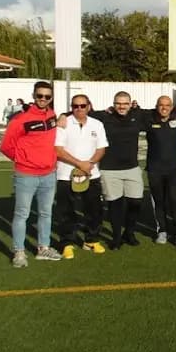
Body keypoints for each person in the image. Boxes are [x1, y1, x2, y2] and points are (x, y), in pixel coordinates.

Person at [0, 81, 62, 267]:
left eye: (47, 96)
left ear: (51, 98)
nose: (43, 99)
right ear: (33, 96)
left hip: (49, 174)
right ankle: (19, 252)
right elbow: (6, 146)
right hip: (26, 175)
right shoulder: (20, 119)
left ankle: (43, 248)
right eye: (39, 96)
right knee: (22, 214)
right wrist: (24, 160)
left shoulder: (52, 115)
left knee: (46, 213)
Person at [89, 91, 150, 250]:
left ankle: (129, 233)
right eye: (118, 103)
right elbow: (81, 112)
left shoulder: (138, 116)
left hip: (132, 168)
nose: (121, 106)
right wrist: (62, 117)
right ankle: (116, 237)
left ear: (130, 104)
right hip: (110, 169)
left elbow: (160, 112)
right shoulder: (104, 117)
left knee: (136, 202)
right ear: (113, 104)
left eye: (125, 103)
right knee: (115, 205)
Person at [55, 94, 108, 258]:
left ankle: (91, 240)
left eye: (82, 106)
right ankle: (67, 243)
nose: (79, 109)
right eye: (75, 106)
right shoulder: (63, 124)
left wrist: (90, 164)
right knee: (66, 211)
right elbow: (58, 150)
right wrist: (80, 164)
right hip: (65, 175)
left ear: (89, 106)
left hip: (91, 174)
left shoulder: (97, 124)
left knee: (94, 210)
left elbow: (101, 149)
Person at [146, 96, 176, 247]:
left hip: (174, 170)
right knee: (158, 201)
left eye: (167, 105)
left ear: (172, 107)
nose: (164, 108)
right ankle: (162, 231)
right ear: (156, 106)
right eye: (161, 105)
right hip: (154, 170)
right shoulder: (149, 118)